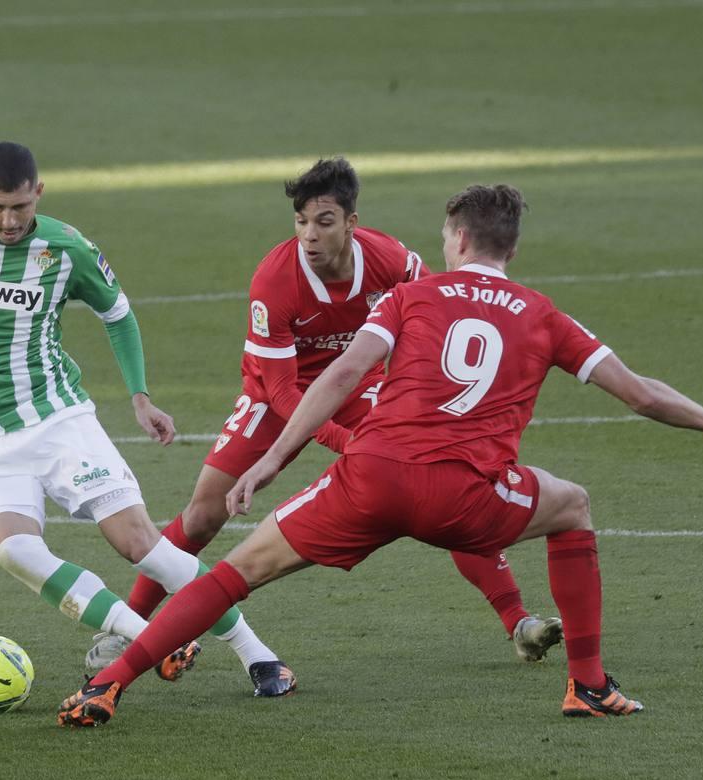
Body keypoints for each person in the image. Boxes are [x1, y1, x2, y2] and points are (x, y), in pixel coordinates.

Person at [59, 183, 703, 727]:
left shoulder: (413, 296)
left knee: (237, 571)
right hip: (470, 500)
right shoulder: (543, 314)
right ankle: (587, 684)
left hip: (368, 480)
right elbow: (639, 394)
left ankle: (110, 683)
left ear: (459, 239)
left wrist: (273, 459)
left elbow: (341, 374)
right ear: (508, 247)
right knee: (572, 505)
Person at [125, 158, 562, 669]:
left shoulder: (393, 260)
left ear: (351, 223)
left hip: (357, 385)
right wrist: (349, 443)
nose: (310, 235)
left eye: (324, 221)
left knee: (443, 478)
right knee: (204, 515)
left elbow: (435, 320)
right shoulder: (275, 280)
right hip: (276, 395)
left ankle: (518, 621)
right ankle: (129, 629)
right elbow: (286, 393)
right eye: (301, 222)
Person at [0, 141, 292, 694]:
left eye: (22, 208)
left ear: (40, 195)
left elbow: (118, 315)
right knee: (15, 550)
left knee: (140, 543)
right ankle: (147, 634)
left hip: (58, 420)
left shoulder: (66, 248)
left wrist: (140, 395)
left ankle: (258, 655)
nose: (10, 221)